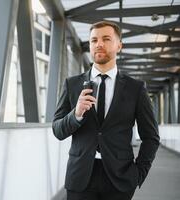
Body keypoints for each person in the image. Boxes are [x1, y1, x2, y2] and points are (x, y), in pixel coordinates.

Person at [52, 21, 160, 200]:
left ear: (119, 46)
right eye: (94, 40)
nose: (99, 44)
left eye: (106, 39)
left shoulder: (136, 88)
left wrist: (138, 174)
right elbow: (57, 130)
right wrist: (76, 114)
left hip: (120, 179)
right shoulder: (72, 84)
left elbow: (151, 137)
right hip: (80, 177)